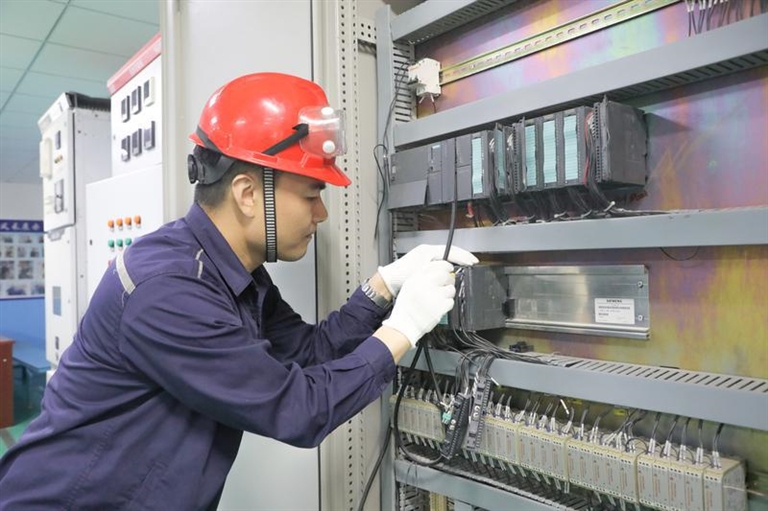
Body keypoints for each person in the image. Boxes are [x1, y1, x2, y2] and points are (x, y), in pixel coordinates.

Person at [0, 73, 478, 510]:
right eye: (311, 195)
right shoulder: (168, 290)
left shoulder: (232, 274)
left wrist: (382, 287)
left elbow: (310, 352)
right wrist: (403, 330)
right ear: (248, 194)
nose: (322, 214)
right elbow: (298, 409)